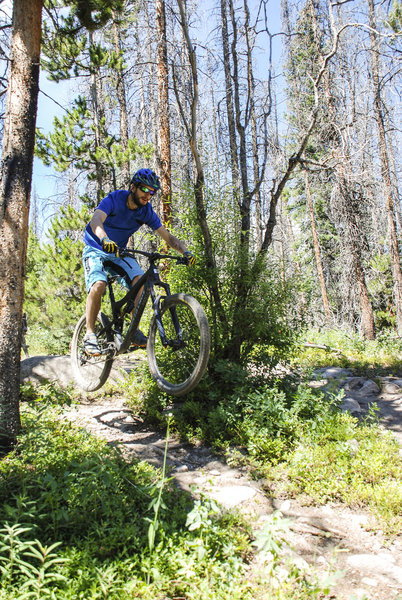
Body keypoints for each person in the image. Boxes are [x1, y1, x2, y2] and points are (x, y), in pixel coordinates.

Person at [82, 168, 196, 356]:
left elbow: (168, 237)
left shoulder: (146, 211)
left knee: (140, 280)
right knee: (99, 283)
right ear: (133, 187)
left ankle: (132, 330)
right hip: (96, 247)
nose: (148, 195)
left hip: (118, 251)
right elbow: (96, 220)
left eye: (152, 192)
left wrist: (185, 251)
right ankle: (89, 334)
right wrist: (104, 239)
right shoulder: (115, 199)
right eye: (145, 189)